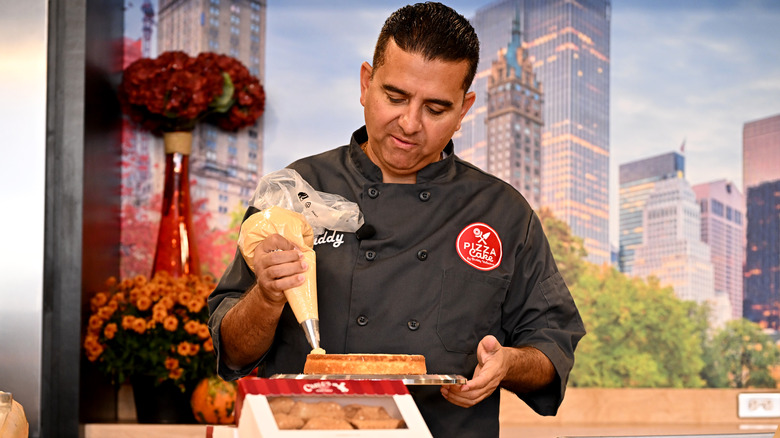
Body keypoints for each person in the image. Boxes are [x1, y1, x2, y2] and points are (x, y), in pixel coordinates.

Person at [208, 3, 585, 437]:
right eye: (395, 97)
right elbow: (232, 351)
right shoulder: (294, 192)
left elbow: (552, 346)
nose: (409, 123)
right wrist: (267, 297)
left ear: (464, 110)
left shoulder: (503, 213)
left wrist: (508, 363)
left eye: (436, 108)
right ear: (366, 84)